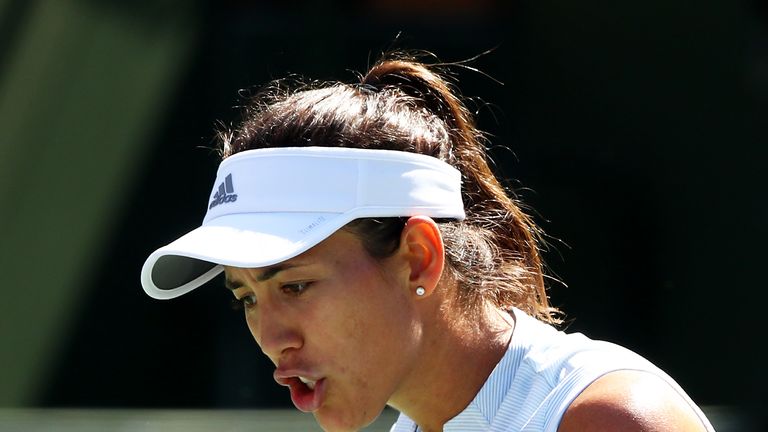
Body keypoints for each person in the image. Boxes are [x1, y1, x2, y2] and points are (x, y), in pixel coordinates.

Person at [141, 54, 715, 432]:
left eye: (295, 284)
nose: (271, 338)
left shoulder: (609, 419)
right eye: (245, 297)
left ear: (419, 256)